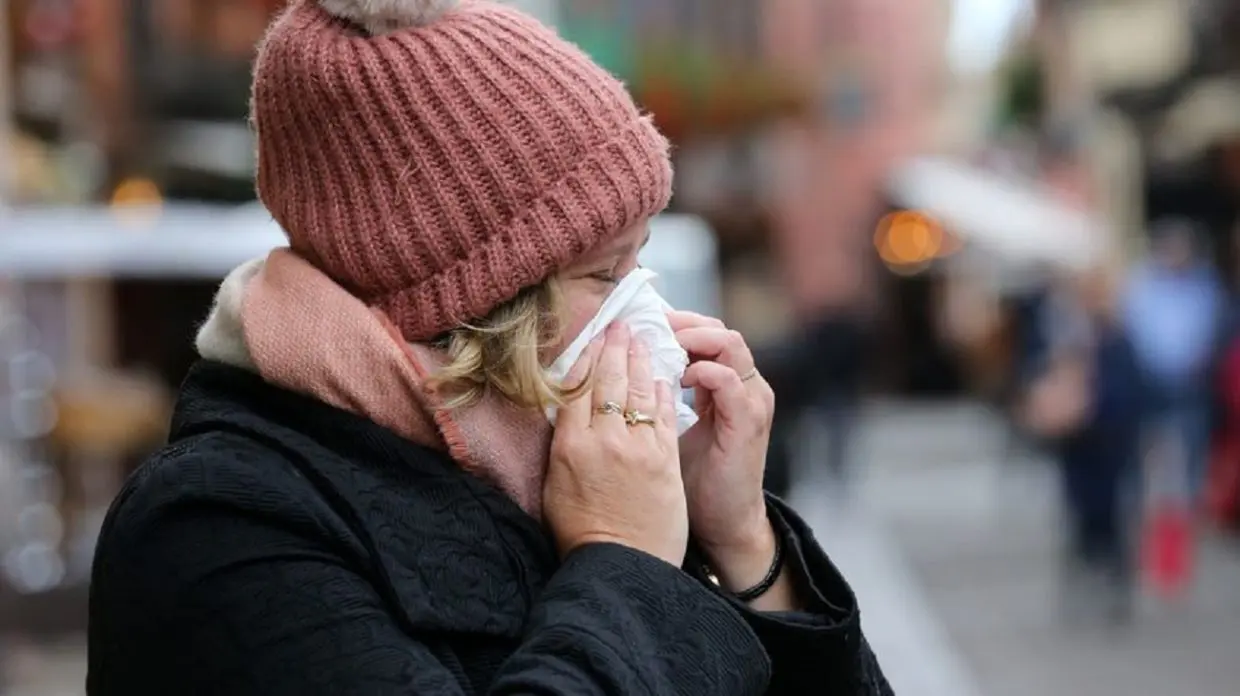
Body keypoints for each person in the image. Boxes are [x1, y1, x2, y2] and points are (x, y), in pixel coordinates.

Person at [86, 2, 892, 695]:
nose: (645, 307)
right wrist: (624, 564)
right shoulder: (220, 525)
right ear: (471, 304)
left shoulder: (562, 459)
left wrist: (741, 543)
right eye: (603, 272)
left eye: (640, 259)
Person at [1123, 220, 1225, 503]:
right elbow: (1135, 328)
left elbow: (1211, 329)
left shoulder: (1204, 285)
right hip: (1150, 382)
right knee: (1150, 449)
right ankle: (1151, 504)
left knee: (1193, 447)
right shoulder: (1144, 283)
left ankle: (1191, 503)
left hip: (1192, 384)